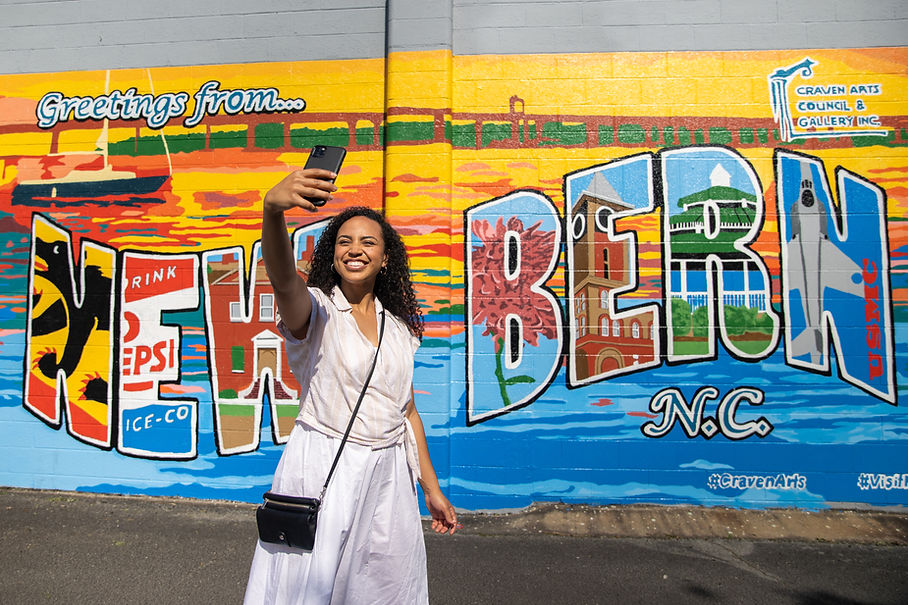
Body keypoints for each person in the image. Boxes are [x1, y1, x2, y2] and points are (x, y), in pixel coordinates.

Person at [244, 167, 458, 604]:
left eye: (368, 242)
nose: (355, 249)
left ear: (385, 258)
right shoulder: (317, 311)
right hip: (325, 465)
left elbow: (406, 412)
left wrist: (431, 488)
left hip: (389, 477)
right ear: (332, 254)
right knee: (308, 586)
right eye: (344, 241)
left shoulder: (399, 329)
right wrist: (272, 212)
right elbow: (283, 280)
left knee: (381, 588)